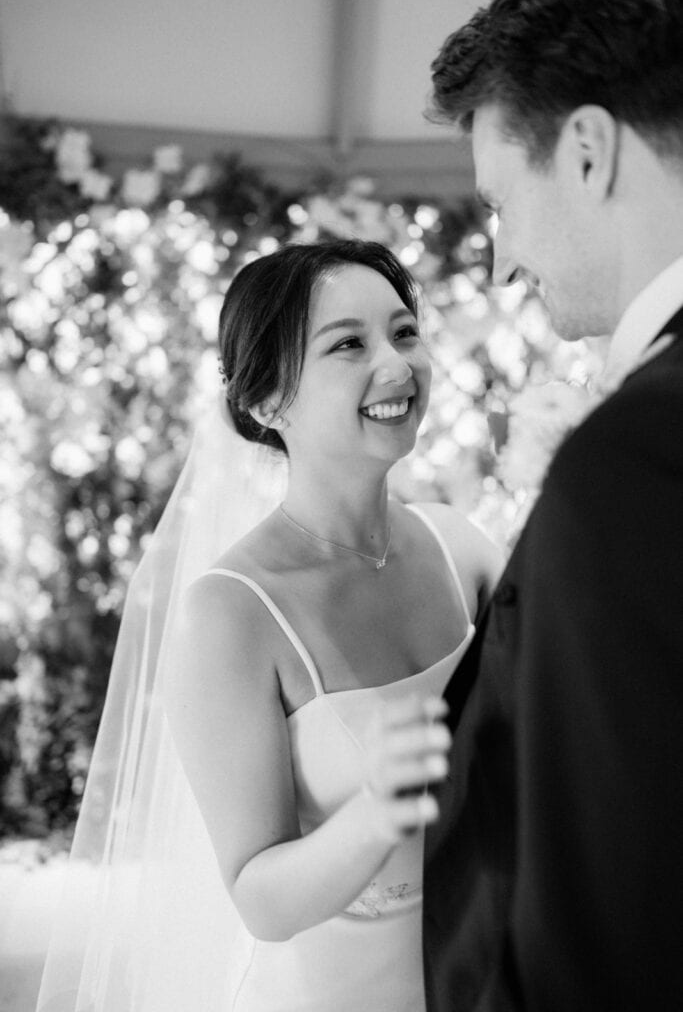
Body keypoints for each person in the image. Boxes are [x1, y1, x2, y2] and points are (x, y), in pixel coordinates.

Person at [36, 240, 501, 1012]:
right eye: (348, 343)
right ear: (266, 401)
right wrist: (379, 810)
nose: (396, 363)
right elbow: (260, 897)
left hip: (487, 970)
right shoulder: (229, 616)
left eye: (404, 332)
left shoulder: (461, 548)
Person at [421, 0, 683, 1010]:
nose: (498, 257)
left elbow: (616, 919)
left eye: (497, 202)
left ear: (586, 152)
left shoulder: (637, 456)